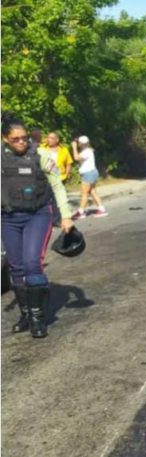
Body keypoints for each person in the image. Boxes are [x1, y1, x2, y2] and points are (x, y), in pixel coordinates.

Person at [1, 116, 75, 338]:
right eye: (15, 139)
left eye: (24, 138)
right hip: (8, 217)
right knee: (16, 267)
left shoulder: (41, 156)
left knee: (32, 263)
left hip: (38, 215)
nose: (21, 142)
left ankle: (37, 317)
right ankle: (25, 313)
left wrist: (67, 216)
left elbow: (57, 186)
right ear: (5, 139)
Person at [71, 136, 108, 219]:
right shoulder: (88, 150)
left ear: (80, 144)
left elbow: (76, 158)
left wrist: (74, 147)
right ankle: (101, 209)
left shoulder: (86, 152)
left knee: (84, 193)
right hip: (92, 172)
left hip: (88, 174)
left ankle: (81, 212)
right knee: (92, 191)